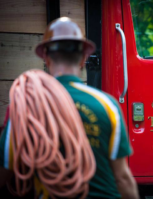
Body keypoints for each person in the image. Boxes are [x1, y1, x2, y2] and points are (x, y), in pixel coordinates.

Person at [0, 17, 139, 199]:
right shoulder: (108, 105)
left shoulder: (26, 106)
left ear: (47, 58)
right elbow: (123, 178)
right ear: (83, 58)